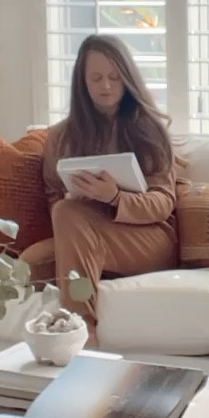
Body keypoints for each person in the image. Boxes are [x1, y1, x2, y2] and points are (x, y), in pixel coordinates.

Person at [21, 35, 178, 345]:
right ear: (82, 82)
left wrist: (115, 197)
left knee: (68, 219)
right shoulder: (61, 137)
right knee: (43, 242)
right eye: (96, 78)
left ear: (127, 78)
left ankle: (79, 332)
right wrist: (73, 197)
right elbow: (53, 196)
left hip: (149, 236)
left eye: (114, 77)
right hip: (85, 229)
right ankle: (78, 328)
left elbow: (163, 203)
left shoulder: (149, 129)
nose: (106, 86)